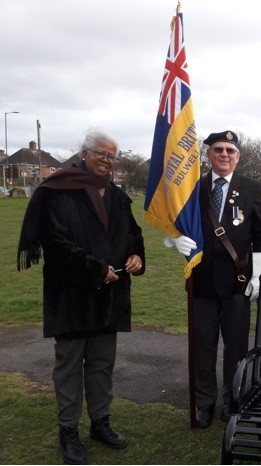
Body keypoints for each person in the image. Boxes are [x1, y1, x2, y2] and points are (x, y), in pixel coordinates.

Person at [17, 129, 145, 465]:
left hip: (110, 297)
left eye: (112, 156)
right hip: (72, 297)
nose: (107, 161)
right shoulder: (60, 190)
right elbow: (55, 243)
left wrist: (137, 255)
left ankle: (100, 423)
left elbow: (133, 233)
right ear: (85, 153)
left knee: (102, 365)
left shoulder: (117, 196)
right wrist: (95, 270)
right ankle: (68, 431)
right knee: (70, 368)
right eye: (101, 154)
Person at [164, 130, 261, 426]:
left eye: (230, 151)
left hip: (237, 283)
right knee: (203, 345)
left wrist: (258, 275)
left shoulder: (250, 188)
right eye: (218, 149)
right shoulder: (192, 186)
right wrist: (173, 240)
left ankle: (233, 398)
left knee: (236, 347)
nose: (224, 155)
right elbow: (174, 220)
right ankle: (204, 402)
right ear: (208, 153)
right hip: (201, 281)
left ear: (238, 156)